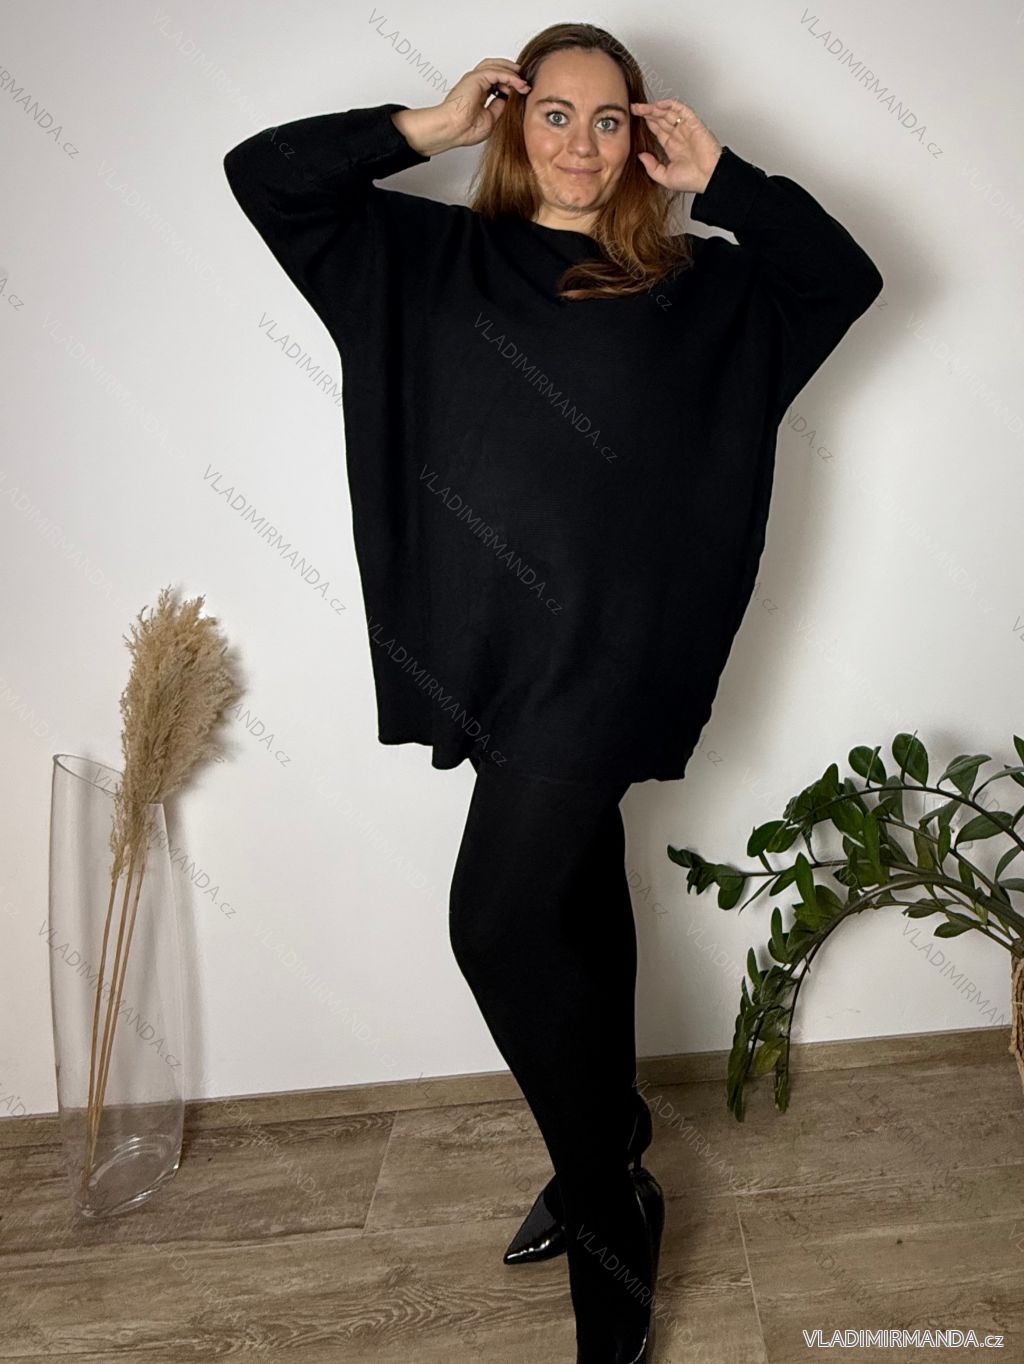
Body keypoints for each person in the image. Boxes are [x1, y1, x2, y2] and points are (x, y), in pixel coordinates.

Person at [223, 20, 883, 1362]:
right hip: (489, 655)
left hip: (615, 659)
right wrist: (422, 127)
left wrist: (726, 179)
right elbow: (264, 175)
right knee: (571, 897)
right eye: (555, 113)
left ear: (643, 136)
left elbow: (845, 275)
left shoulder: (696, 288)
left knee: (496, 920)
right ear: (514, 122)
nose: (583, 142)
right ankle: (616, 1136)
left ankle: (607, 1207)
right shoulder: (417, 258)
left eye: (610, 118)